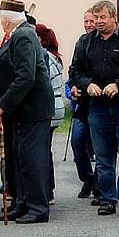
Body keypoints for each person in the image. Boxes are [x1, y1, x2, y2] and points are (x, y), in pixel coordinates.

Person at [69, 0, 119, 217]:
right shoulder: (85, 42)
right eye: (95, 18)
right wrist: (86, 84)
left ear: (113, 17)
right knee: (103, 156)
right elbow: (75, 70)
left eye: (102, 17)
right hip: (96, 107)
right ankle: (107, 199)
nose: (98, 22)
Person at [0, 0, 55, 224]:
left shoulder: (24, 35)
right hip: (21, 111)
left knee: (32, 160)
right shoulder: (20, 34)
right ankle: (22, 202)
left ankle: (37, 207)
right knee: (20, 159)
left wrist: (1, 105)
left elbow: (25, 76)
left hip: (32, 110)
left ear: (6, 21)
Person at [67, 10, 100, 203]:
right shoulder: (82, 42)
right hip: (83, 104)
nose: (89, 24)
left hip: (101, 101)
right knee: (77, 143)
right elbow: (73, 70)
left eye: (92, 20)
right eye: (86, 20)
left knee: (101, 147)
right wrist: (73, 87)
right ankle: (87, 179)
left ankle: (99, 185)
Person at [36, 23, 65, 204]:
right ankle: (49, 190)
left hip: (49, 106)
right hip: (56, 105)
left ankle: (48, 190)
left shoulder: (44, 57)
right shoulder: (54, 57)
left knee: (43, 151)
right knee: (46, 150)